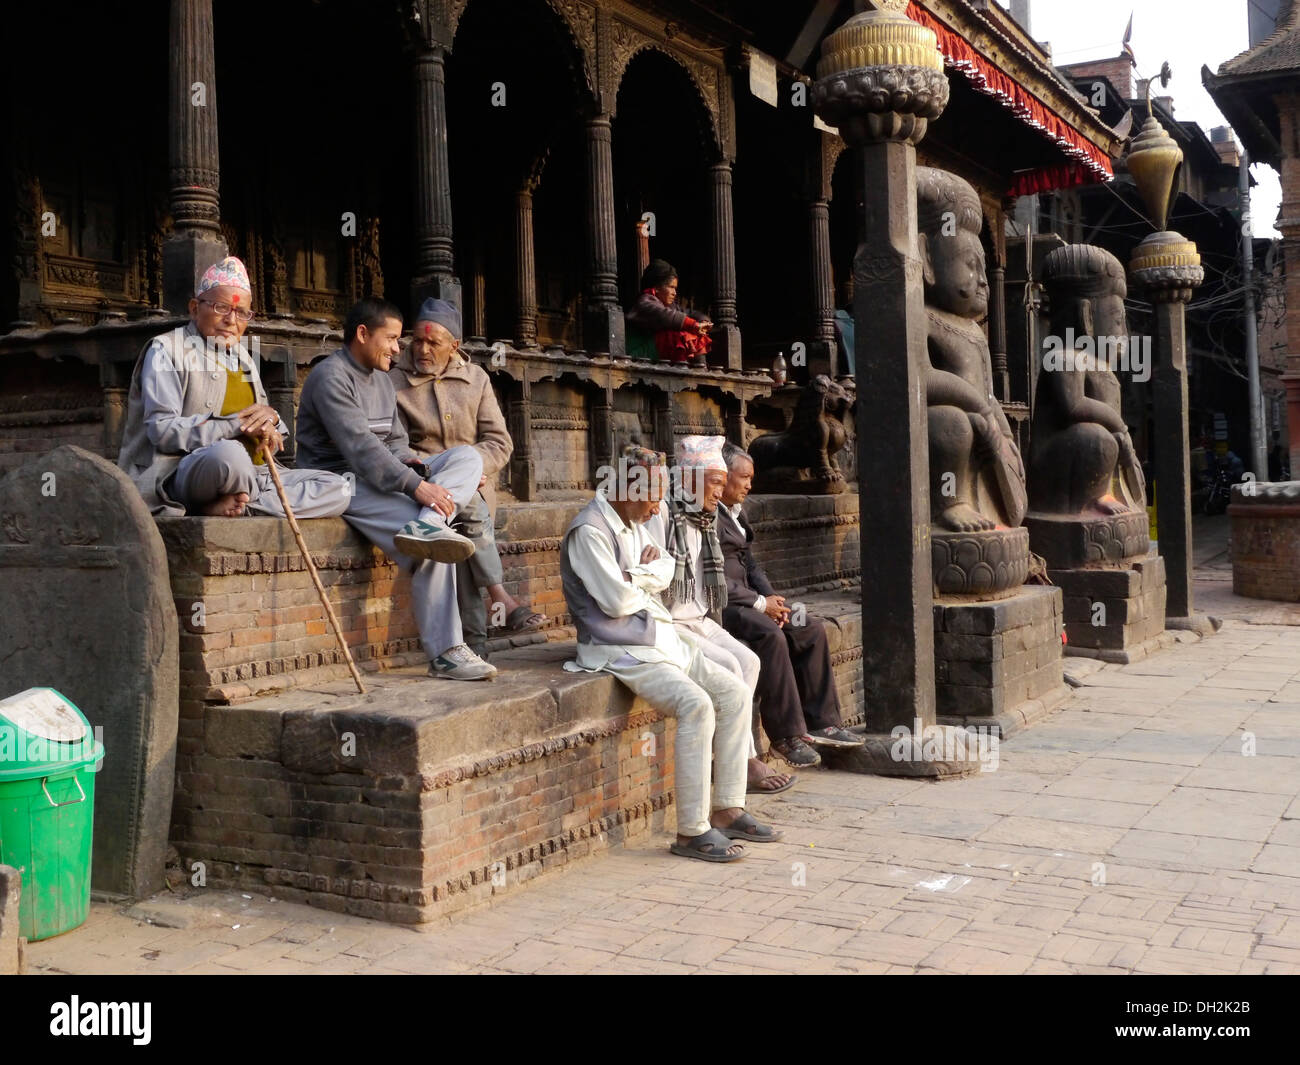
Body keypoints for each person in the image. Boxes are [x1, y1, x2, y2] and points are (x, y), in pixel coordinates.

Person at [560, 445, 781, 862]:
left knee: (733, 692)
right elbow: (616, 601)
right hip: (619, 647)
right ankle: (691, 831)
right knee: (696, 705)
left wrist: (639, 576)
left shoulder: (634, 522)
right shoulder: (590, 530)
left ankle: (728, 807)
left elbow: (667, 571)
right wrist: (645, 577)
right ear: (627, 487)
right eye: (653, 495)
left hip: (660, 638)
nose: (659, 506)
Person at [295, 297, 494, 682]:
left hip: (387, 477)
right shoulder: (330, 377)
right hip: (341, 482)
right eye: (391, 339)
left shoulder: (383, 382)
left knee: (467, 459)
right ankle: (446, 653)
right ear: (362, 334)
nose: (397, 349)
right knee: (435, 545)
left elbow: (396, 445)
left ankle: (429, 522)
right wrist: (418, 487)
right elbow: (361, 450)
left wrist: (422, 471)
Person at [117, 256, 351, 519]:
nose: (232, 320)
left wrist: (271, 420)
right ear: (195, 308)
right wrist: (234, 426)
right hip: (190, 470)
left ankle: (242, 505)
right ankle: (236, 501)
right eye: (221, 307)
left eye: (241, 312)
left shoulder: (244, 358)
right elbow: (162, 430)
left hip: (257, 474)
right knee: (230, 454)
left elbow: (265, 427)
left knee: (341, 488)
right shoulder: (166, 350)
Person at [648, 435, 818, 778]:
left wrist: (771, 598)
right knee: (731, 665)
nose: (719, 492)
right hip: (670, 621)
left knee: (749, 661)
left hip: (700, 615)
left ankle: (745, 755)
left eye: (723, 483)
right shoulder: (664, 513)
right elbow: (651, 571)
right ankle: (739, 762)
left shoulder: (704, 518)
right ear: (691, 481)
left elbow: (739, 568)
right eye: (715, 483)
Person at [389, 299, 547, 659]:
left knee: (460, 536)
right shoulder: (394, 380)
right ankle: (498, 601)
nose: (423, 349)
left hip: (475, 485)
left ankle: (473, 644)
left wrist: (473, 467)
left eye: (434, 343)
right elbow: (396, 445)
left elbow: (499, 442)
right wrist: (447, 473)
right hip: (424, 487)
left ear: (454, 346)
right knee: (462, 527)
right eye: (418, 341)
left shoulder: (476, 379)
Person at [718, 444, 864, 754]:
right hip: (724, 604)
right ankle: (787, 736)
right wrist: (760, 604)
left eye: (750, 478)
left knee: (808, 626)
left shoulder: (736, 513)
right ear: (721, 476)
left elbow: (750, 563)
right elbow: (713, 578)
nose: (748, 485)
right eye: (743, 477)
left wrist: (771, 597)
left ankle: (823, 722)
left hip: (753, 599)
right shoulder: (706, 517)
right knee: (771, 636)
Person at [625, 259, 712, 368]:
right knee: (678, 336)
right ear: (656, 288)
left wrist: (704, 323)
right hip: (638, 355)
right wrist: (693, 325)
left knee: (697, 335)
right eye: (671, 287)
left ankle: (700, 373)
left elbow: (691, 313)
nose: (674, 293)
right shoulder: (644, 302)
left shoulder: (670, 306)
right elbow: (665, 315)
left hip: (656, 354)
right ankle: (683, 373)